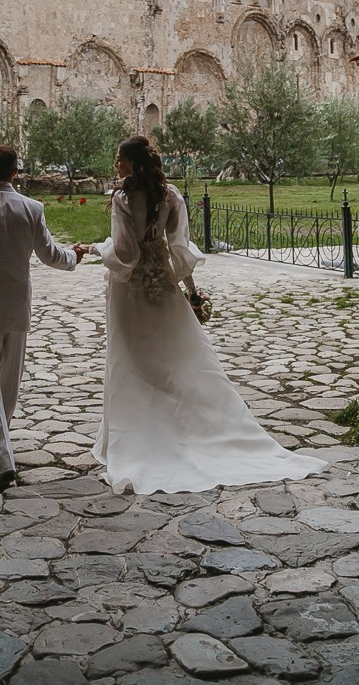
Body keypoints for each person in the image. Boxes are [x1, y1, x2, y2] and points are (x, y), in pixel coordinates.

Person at [80, 135, 328, 495]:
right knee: (176, 359)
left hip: (130, 291)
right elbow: (178, 250)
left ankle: (142, 437)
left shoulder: (123, 198)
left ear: (132, 162)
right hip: (164, 285)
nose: (116, 165)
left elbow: (125, 253)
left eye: (119, 159)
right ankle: (185, 429)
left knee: (131, 360)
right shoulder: (170, 195)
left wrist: (95, 249)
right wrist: (191, 292)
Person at [0, 144, 86, 492]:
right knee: (9, 382)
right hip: (16, 305)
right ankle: (1, 450)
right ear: (15, 172)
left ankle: (0, 457)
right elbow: (49, 254)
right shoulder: (32, 208)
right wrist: (74, 257)